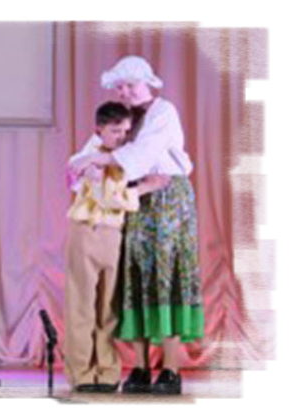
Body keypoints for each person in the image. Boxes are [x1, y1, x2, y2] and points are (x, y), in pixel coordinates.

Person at [73, 55, 202, 395]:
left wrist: (101, 159)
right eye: (120, 87)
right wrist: (85, 163)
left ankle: (171, 369)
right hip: (134, 197)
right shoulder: (123, 118)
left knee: (165, 275)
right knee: (135, 277)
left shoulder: (163, 112)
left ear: (147, 83)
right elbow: (90, 151)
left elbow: (144, 153)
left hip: (166, 197)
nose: (125, 92)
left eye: (130, 85)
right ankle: (141, 368)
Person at [63, 101, 169, 393]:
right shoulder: (90, 158)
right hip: (88, 231)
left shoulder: (123, 158)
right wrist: (147, 187)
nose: (121, 137)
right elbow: (109, 197)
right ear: (99, 130)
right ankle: (81, 371)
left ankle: (107, 371)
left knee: (108, 306)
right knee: (82, 304)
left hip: (113, 234)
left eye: (125, 131)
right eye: (115, 131)